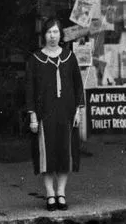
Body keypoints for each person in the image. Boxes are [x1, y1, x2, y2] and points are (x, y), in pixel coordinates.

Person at [26, 17, 85, 211]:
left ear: (61, 35)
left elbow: (78, 86)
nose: (52, 36)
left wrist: (78, 111)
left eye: (56, 32)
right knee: (47, 155)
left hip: (67, 113)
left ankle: (61, 192)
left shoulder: (69, 57)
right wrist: (33, 116)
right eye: (49, 32)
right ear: (44, 35)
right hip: (45, 114)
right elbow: (30, 90)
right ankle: (50, 194)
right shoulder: (36, 59)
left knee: (65, 154)